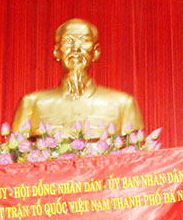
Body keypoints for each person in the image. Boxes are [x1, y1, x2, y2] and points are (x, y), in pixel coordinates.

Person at [11, 18, 143, 137]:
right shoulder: (32, 103)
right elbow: (18, 155)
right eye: (68, 41)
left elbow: (133, 157)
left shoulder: (122, 104)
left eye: (84, 41)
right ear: (57, 52)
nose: (76, 48)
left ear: (96, 52)